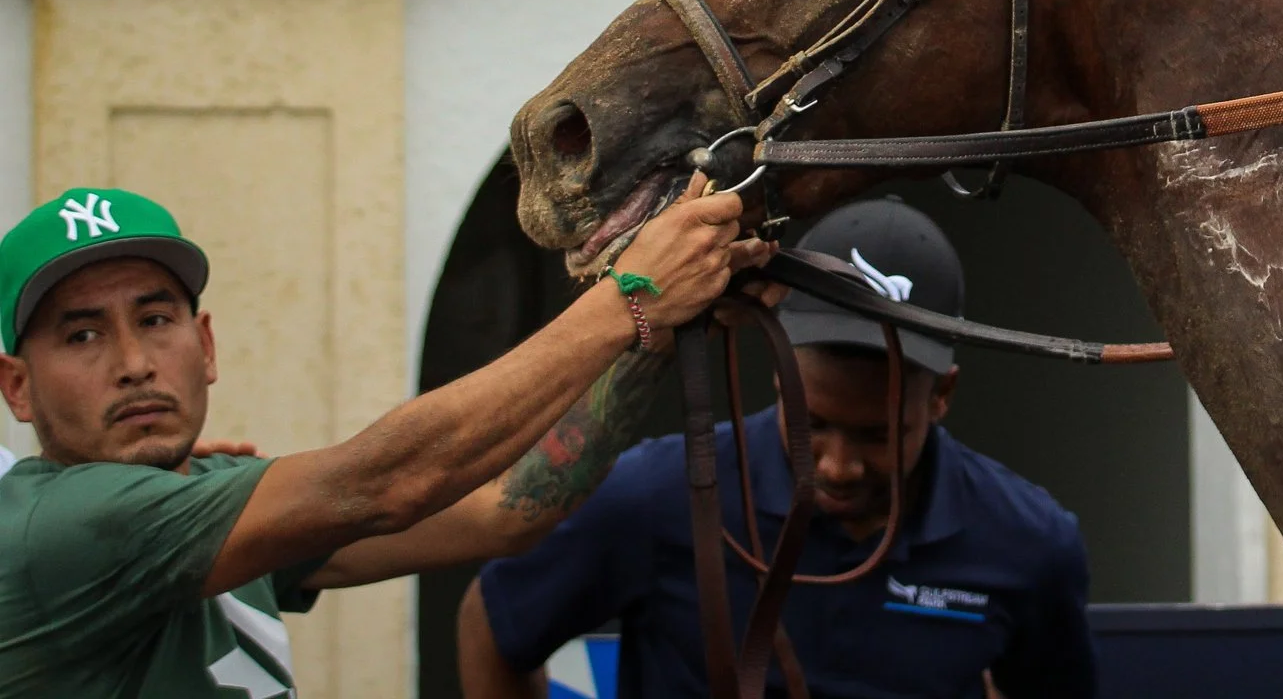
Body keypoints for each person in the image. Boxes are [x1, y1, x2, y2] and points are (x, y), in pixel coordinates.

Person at [0, 179, 763, 695]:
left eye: (155, 319)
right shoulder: (62, 530)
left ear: (205, 346)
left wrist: (654, 339)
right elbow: (386, 482)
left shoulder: (200, 501)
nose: (133, 364)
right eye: (82, 335)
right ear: (18, 388)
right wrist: (630, 297)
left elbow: (508, 507)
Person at [461, 198, 1097, 699]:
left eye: (878, 435)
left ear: (942, 396)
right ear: (779, 371)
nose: (836, 466)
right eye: (811, 423)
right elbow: (492, 625)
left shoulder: (1028, 543)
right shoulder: (657, 497)